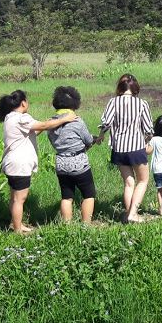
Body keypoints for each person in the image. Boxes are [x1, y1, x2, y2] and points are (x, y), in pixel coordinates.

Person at [0, 89, 77, 234]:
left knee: (14, 197)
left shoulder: (10, 117)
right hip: (19, 164)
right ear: (23, 103)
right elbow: (43, 126)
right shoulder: (21, 118)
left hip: (12, 163)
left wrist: (49, 123)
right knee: (20, 199)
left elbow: (33, 132)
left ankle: (17, 224)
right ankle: (17, 230)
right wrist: (65, 119)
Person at [97, 74, 154, 223]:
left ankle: (129, 214)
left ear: (120, 87)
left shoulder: (113, 102)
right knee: (143, 180)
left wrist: (101, 135)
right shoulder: (142, 103)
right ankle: (133, 214)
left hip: (119, 148)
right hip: (136, 147)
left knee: (129, 183)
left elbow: (106, 123)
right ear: (135, 88)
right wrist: (148, 141)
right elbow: (148, 128)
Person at [47, 86, 96, 224]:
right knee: (89, 194)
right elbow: (88, 140)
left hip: (61, 162)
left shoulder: (51, 123)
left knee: (67, 196)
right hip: (78, 162)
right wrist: (94, 139)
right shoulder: (77, 121)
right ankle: (86, 225)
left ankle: (67, 226)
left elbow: (53, 141)